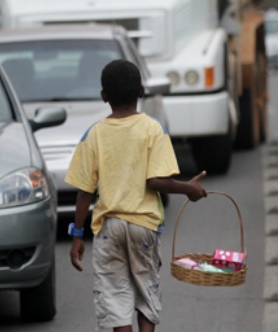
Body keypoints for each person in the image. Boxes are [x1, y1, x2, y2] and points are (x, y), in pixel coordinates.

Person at [65, 59, 208, 332]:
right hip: (144, 227)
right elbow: (156, 181)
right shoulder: (153, 129)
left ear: (103, 96)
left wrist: (77, 235)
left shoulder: (93, 134)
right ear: (142, 91)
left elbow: (85, 192)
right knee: (146, 292)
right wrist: (188, 188)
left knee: (115, 296)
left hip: (108, 229)